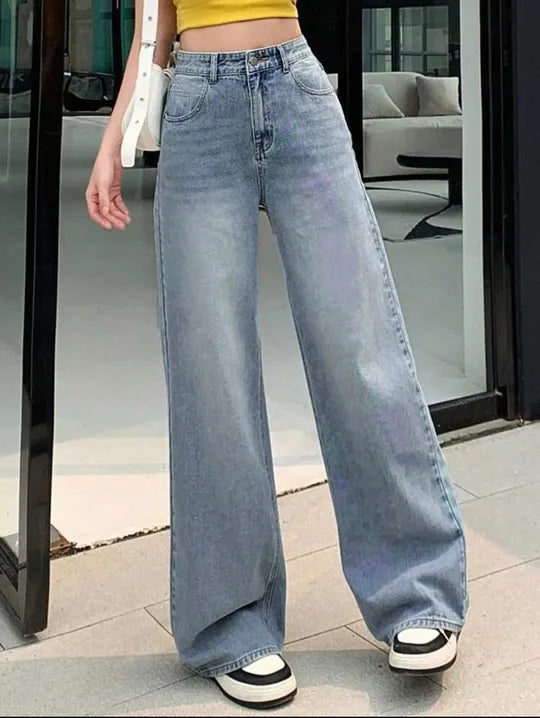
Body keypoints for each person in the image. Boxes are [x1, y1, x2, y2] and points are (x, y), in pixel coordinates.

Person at [86, 0, 468, 710]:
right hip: (198, 108)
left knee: (360, 346)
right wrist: (114, 141)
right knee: (212, 371)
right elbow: (151, 29)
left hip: (295, 87)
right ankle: (232, 623)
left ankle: (417, 593)